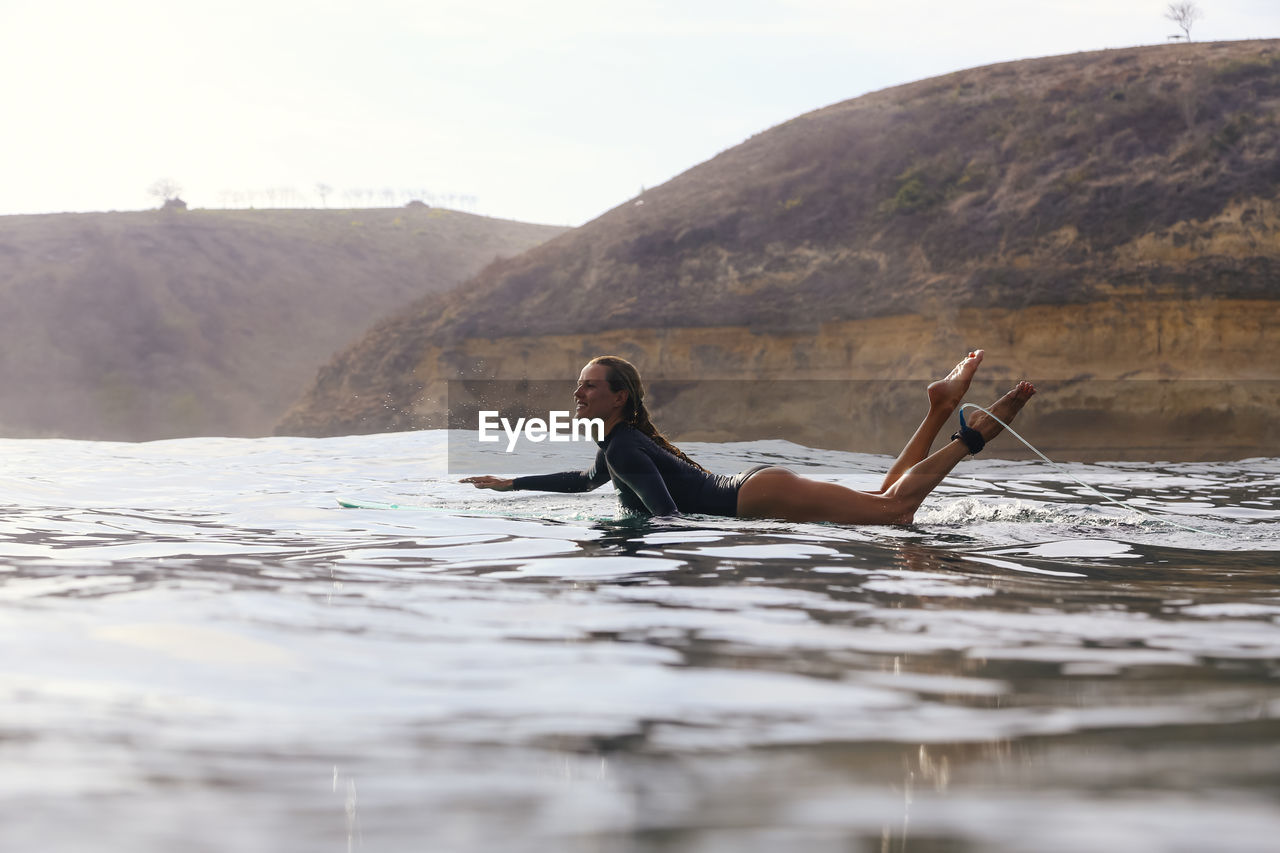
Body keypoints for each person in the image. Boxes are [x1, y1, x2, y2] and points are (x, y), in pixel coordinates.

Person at [461, 352, 1036, 525]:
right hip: (756, 490)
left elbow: (666, 520)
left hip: (756, 497)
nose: (578, 395)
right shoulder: (619, 444)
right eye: (576, 387)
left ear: (620, 398)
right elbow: (587, 482)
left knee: (893, 511)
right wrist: (510, 483)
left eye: (589, 388)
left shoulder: (625, 446)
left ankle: (974, 434)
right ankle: (938, 408)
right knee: (883, 501)